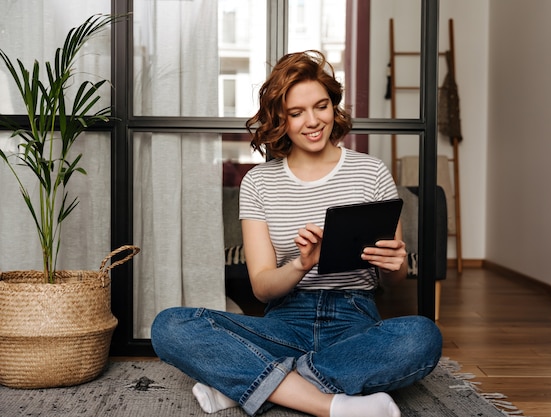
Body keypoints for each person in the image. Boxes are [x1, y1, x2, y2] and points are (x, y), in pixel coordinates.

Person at [151, 50, 442, 417]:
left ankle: (251, 385)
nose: (313, 121)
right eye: (296, 113)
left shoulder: (371, 172)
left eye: (320, 106)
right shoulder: (258, 182)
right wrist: (301, 265)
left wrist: (396, 264)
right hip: (285, 322)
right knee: (170, 326)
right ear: (280, 120)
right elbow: (262, 287)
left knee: (421, 336)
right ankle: (328, 403)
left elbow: (394, 277)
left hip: (354, 320)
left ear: (333, 107)